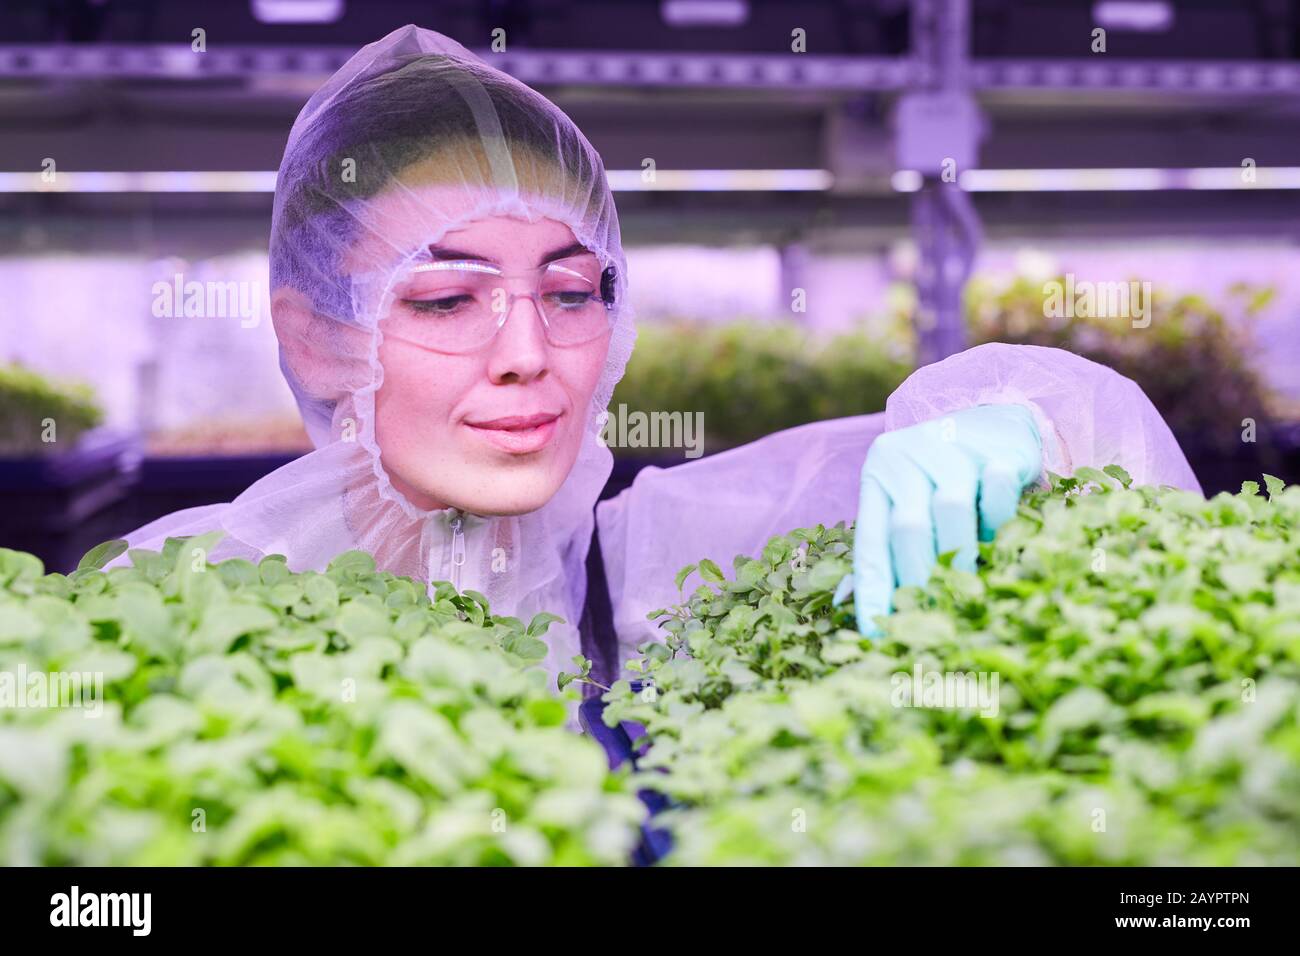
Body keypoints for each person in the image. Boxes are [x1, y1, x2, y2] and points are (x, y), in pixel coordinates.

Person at [119, 25, 1201, 684]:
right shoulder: (173, 612)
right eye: (447, 297)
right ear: (314, 335)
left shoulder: (652, 581)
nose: (527, 353)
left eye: (569, 291)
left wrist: (1022, 417)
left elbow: (1084, 455)